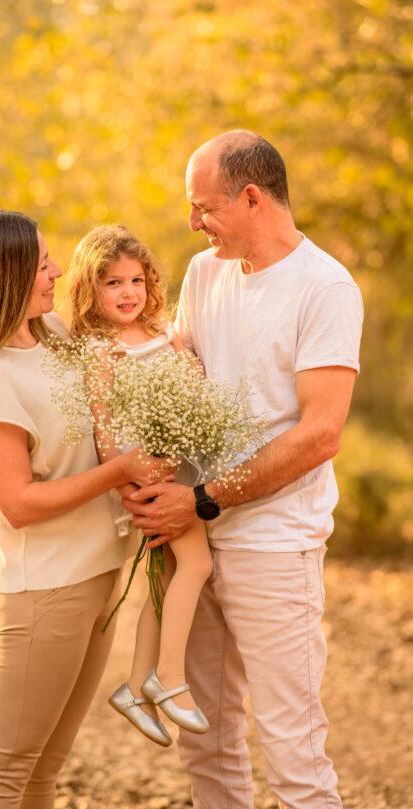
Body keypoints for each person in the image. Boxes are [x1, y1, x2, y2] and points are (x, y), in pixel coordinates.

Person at [122, 131, 364, 809]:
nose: (193, 223)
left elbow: (319, 434)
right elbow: (179, 378)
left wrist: (201, 499)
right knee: (208, 742)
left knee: (291, 747)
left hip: (274, 544)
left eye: (204, 207)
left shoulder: (325, 287)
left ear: (251, 197)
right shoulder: (206, 273)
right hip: (192, 539)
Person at [0, 209, 174, 809]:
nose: (58, 271)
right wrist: (119, 471)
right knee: (6, 770)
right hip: (45, 592)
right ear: (5, 273)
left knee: (44, 771)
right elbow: (18, 504)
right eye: (42, 263)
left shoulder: (57, 337)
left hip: (95, 579)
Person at [67, 224, 213, 747]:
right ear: (89, 290)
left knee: (165, 580)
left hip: (178, 470)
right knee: (198, 564)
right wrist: (130, 488)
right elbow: (106, 430)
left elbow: (194, 379)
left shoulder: (161, 331)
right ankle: (168, 678)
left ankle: (133, 687)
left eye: (136, 280)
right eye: (112, 283)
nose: (128, 293)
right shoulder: (102, 350)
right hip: (146, 480)